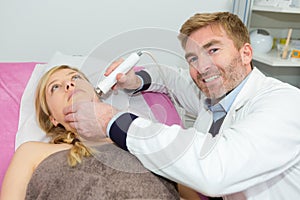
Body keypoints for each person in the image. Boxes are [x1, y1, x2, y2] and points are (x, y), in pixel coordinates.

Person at [63, 12, 300, 199]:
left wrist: (111, 122)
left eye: (213, 50)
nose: (202, 67)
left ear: (246, 53)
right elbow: (171, 79)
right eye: (193, 59)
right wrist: (134, 80)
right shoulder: (213, 97)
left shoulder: (284, 104)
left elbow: (216, 170)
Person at [0, 65, 182, 200]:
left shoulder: (140, 137)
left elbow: (188, 191)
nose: (69, 84)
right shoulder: (31, 152)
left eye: (76, 78)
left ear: (96, 94)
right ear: (52, 118)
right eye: (55, 87)